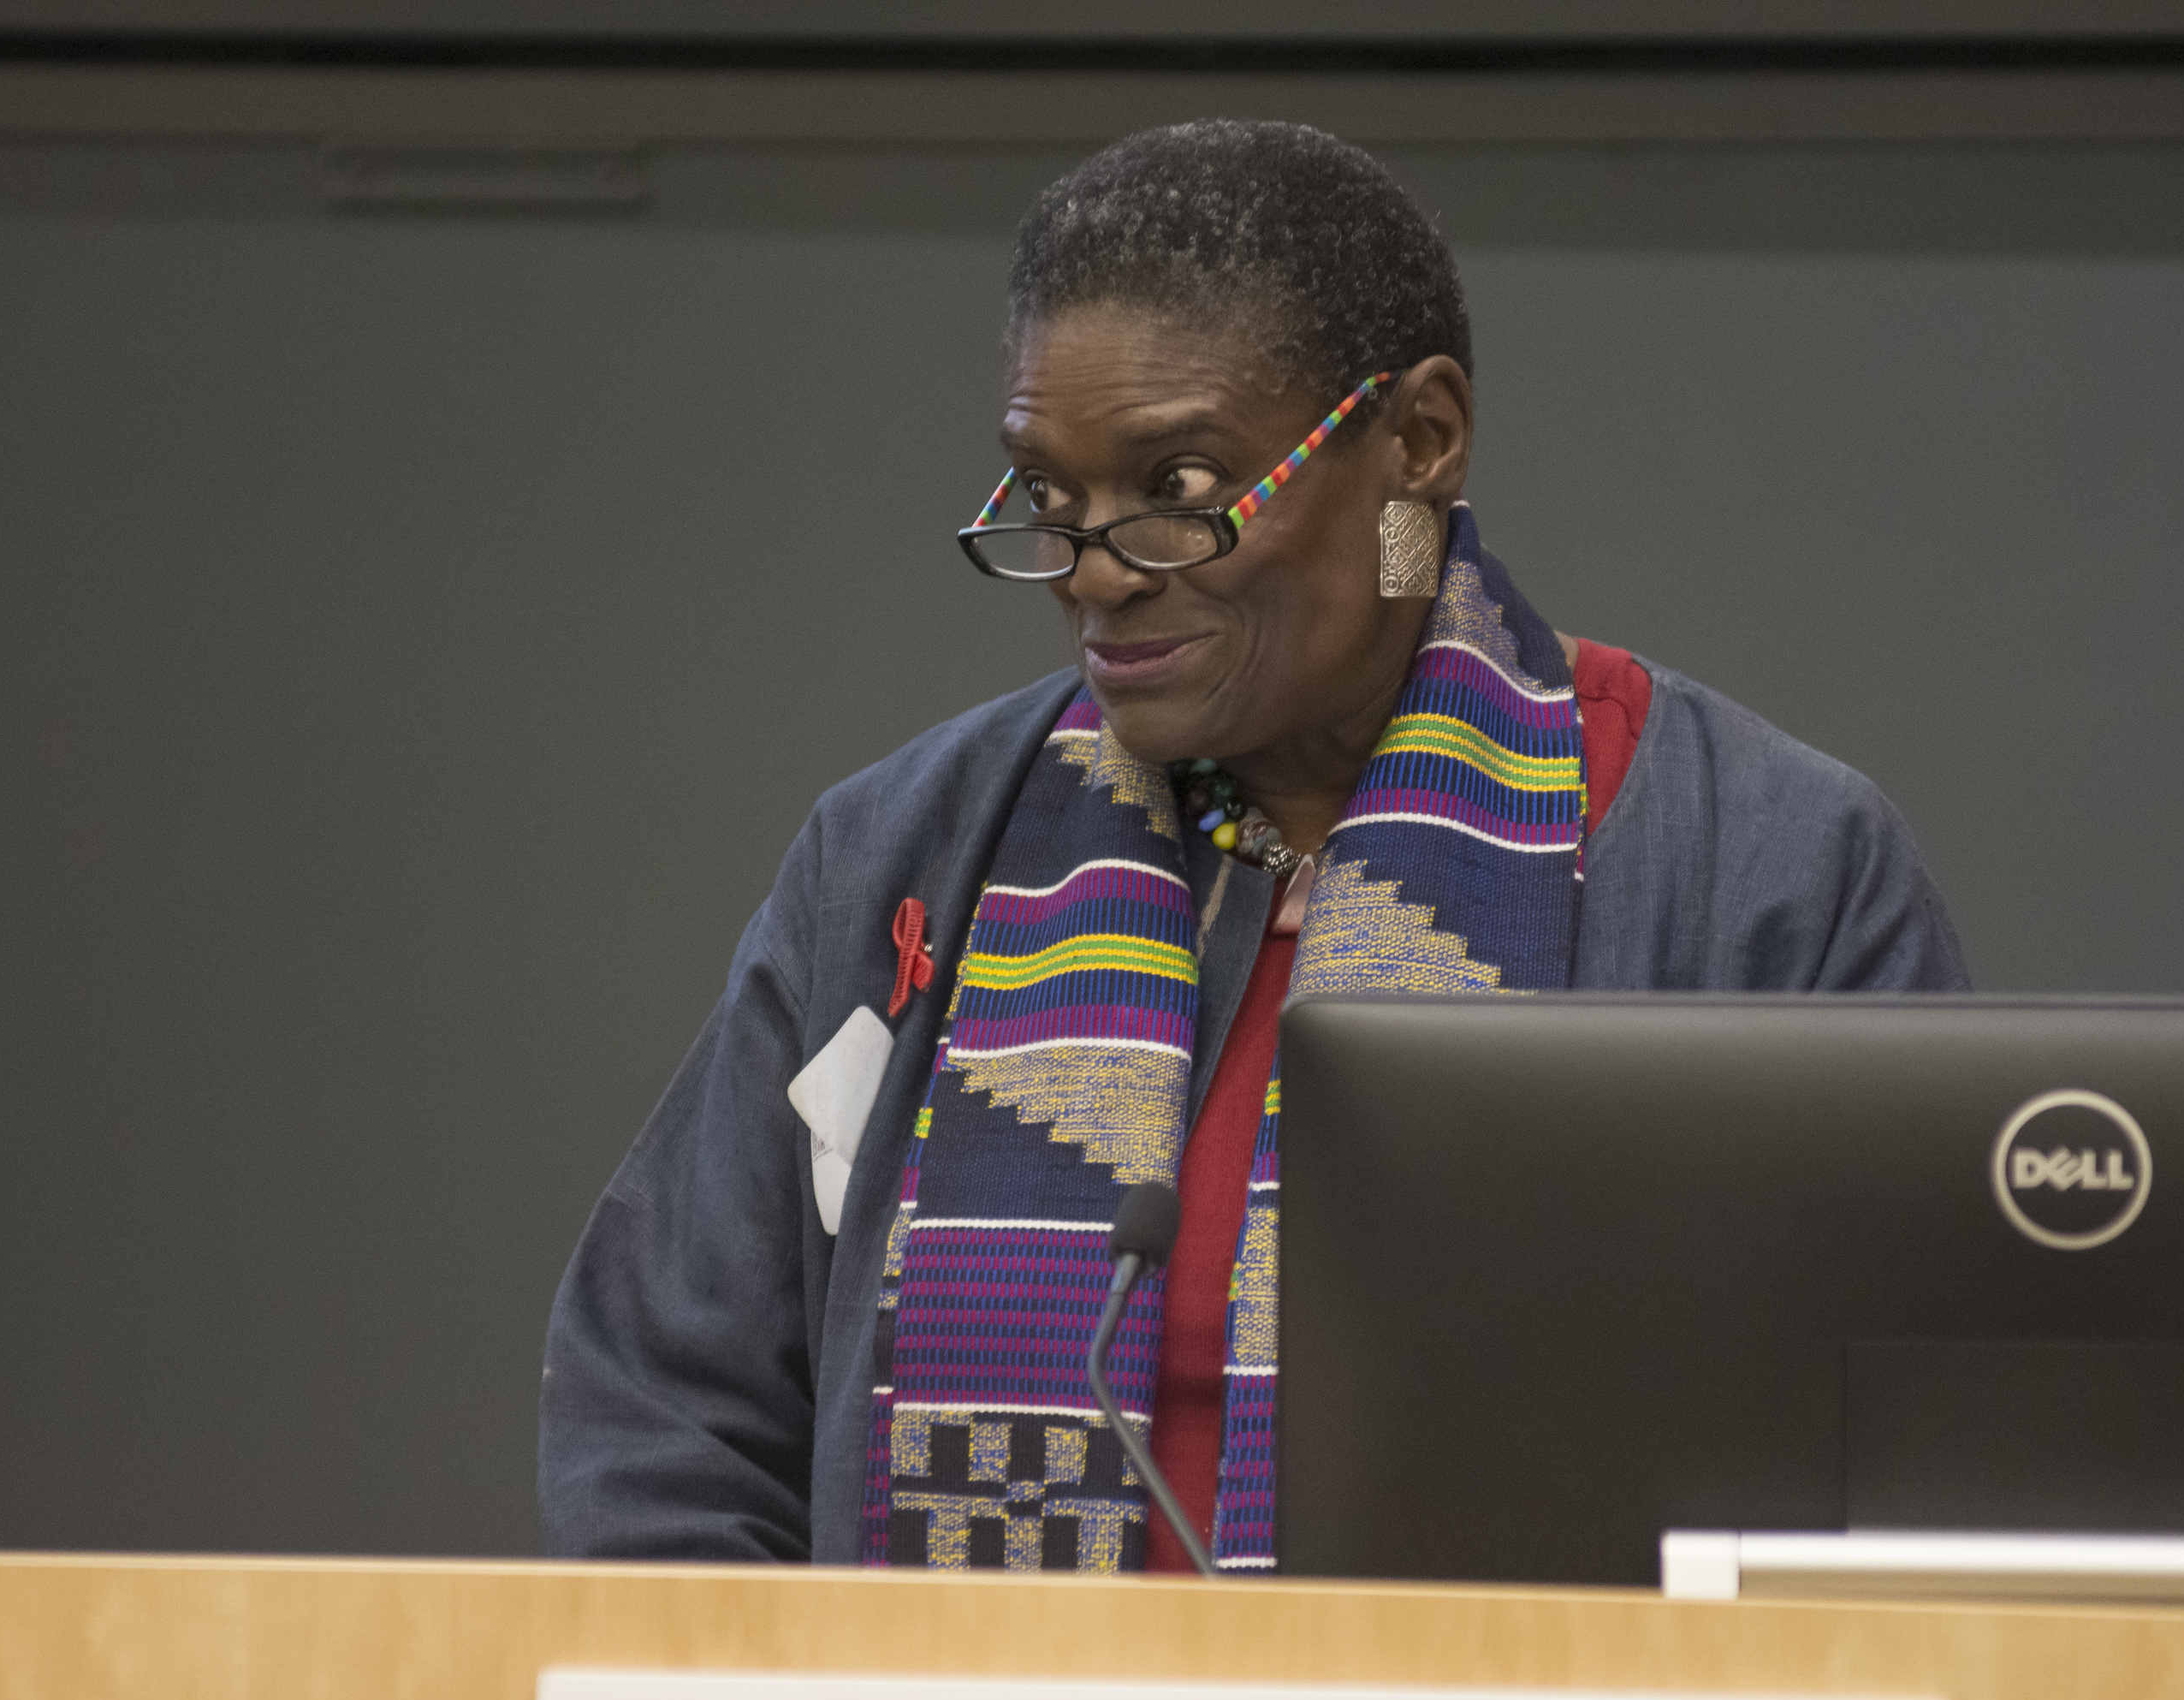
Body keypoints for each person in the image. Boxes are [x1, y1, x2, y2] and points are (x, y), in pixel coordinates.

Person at [538, 120, 1967, 1576]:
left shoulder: (1767, 872)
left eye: (1179, 489)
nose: (1094, 572)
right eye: (1050, 496)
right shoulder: (896, 860)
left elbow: (1907, 1468)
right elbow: (662, 1422)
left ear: (1418, 442)